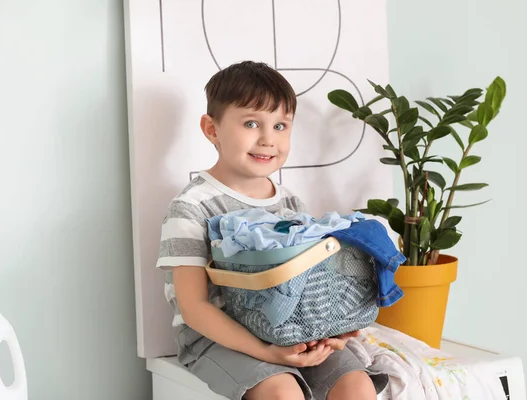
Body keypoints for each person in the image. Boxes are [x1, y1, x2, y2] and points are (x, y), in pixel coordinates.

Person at [156, 61, 385, 400]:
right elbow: (194, 308)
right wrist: (267, 353)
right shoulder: (191, 206)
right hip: (216, 339)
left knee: (357, 387)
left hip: (293, 330)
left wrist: (332, 332)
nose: (267, 139)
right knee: (282, 392)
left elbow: (310, 287)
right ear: (212, 129)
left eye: (280, 125)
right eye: (251, 123)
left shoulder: (291, 204)